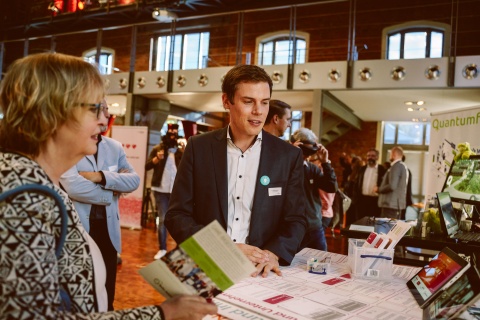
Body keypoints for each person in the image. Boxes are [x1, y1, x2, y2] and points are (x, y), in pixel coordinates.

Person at [0, 52, 216, 319]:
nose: (104, 121)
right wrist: (161, 315)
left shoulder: (36, 183)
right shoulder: (23, 196)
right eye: (94, 109)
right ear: (52, 112)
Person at [165, 64, 307, 278]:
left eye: (265, 102)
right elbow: (177, 215)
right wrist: (223, 250)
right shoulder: (199, 148)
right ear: (226, 101)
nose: (258, 111)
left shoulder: (287, 156)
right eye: (248, 101)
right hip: (206, 265)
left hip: (260, 271)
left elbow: (296, 219)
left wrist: (273, 253)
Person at [59, 102, 140, 311]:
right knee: (82, 293)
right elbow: (73, 187)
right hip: (80, 230)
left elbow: (134, 181)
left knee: (108, 294)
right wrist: (111, 192)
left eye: (106, 110)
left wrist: (100, 176)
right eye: (99, 110)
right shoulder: (69, 145)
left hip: (109, 232)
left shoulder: (114, 147)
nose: (105, 116)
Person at [291, 128, 337, 252]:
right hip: (293, 228)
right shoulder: (286, 165)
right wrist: (292, 156)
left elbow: (331, 187)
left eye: (309, 151)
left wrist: (325, 162)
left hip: (314, 227)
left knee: (322, 261)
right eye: (304, 150)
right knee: (290, 265)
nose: (306, 155)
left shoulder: (312, 169)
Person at [145, 123, 183, 260]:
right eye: (170, 132)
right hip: (160, 190)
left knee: (179, 220)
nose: (172, 135)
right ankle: (162, 248)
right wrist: (156, 159)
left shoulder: (180, 152)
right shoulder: (157, 149)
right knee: (162, 220)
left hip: (176, 191)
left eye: (174, 132)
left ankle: (179, 249)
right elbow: (147, 166)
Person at [377, 146, 409, 219]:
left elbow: (392, 186)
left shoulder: (396, 166)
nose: (390, 156)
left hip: (391, 204)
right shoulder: (402, 166)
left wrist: (379, 189)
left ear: (394, 154)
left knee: (387, 228)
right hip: (394, 204)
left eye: (390, 154)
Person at [355, 149, 386, 220]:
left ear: (377, 157)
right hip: (362, 200)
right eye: (368, 156)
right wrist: (356, 199)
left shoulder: (382, 170)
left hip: (375, 201)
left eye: (373, 156)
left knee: (373, 223)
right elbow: (356, 184)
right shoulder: (362, 169)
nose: (370, 157)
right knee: (360, 222)